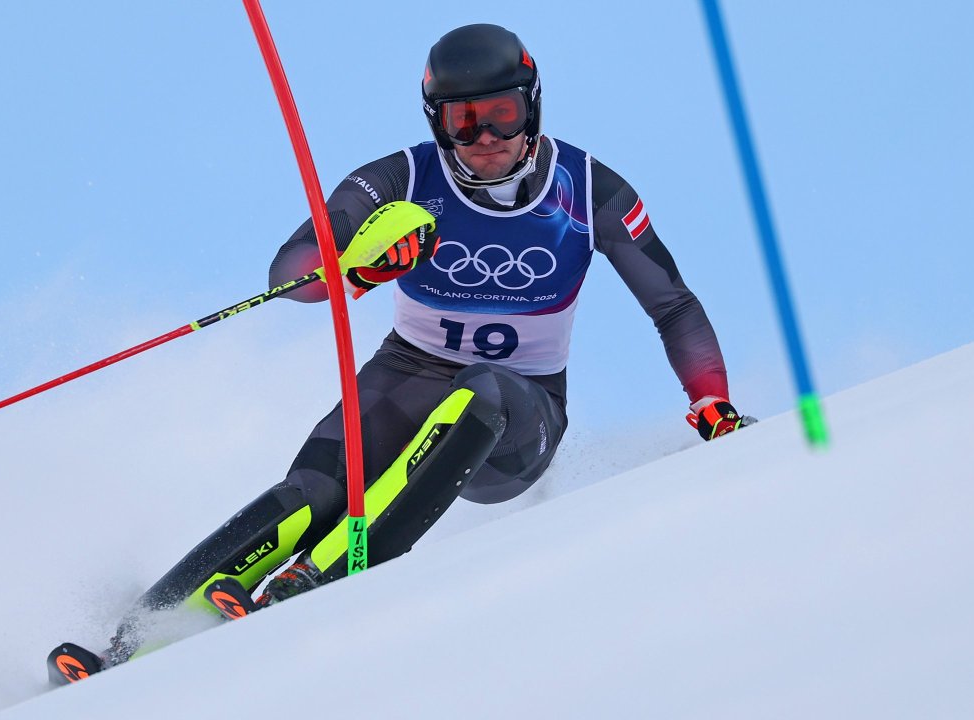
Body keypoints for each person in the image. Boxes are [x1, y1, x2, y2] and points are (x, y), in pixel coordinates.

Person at [48, 22, 752, 684]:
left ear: (532, 107)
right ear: (435, 122)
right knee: (313, 493)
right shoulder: (400, 181)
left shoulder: (590, 188)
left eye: (501, 113)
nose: (484, 137)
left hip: (515, 419)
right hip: (405, 378)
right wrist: (355, 268)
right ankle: (125, 643)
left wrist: (710, 401)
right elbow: (288, 271)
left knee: (483, 386)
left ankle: (321, 574)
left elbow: (674, 305)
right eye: (461, 120)